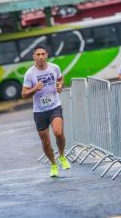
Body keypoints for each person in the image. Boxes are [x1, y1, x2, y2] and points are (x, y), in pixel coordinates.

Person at [22, 44, 71, 177]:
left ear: (47, 55)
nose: (41, 57)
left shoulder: (54, 68)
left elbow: (60, 79)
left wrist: (60, 85)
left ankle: (62, 156)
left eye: (43, 54)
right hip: (39, 111)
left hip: (54, 106)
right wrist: (34, 89)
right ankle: (53, 164)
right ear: (34, 57)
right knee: (46, 142)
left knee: (58, 132)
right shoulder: (30, 73)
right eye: (38, 55)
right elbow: (24, 94)